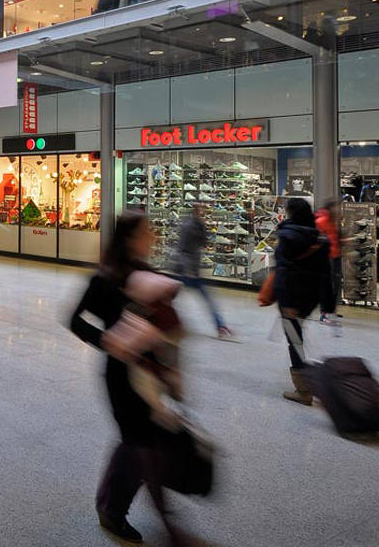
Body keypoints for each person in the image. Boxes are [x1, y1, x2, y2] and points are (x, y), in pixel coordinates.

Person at [70, 213, 185, 546]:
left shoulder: (147, 275)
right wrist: (107, 341)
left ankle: (115, 505)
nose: (153, 237)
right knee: (138, 442)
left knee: (139, 440)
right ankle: (114, 510)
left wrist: (170, 367)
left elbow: (167, 324)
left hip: (148, 373)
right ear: (130, 238)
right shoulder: (105, 279)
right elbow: (74, 320)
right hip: (120, 375)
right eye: (147, 232)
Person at [274, 197, 330, 405]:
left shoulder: (288, 236)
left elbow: (284, 270)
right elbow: (326, 273)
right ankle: (311, 382)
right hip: (310, 296)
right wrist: (327, 305)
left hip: (291, 296)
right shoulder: (318, 236)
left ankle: (304, 389)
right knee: (298, 336)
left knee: (294, 340)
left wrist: (286, 302)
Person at [174, 205, 232, 339]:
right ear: (195, 212)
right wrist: (187, 268)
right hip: (187, 270)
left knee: (207, 298)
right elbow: (182, 248)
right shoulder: (188, 227)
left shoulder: (198, 226)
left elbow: (203, 244)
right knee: (205, 298)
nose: (203, 215)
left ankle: (220, 326)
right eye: (201, 212)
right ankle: (220, 326)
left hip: (194, 270)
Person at [315, 199, 342, 327]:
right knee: (328, 287)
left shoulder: (331, 221)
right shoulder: (322, 221)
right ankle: (323, 315)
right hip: (327, 258)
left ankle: (330, 311)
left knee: (335, 286)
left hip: (335, 257)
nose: (339, 210)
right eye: (336, 208)